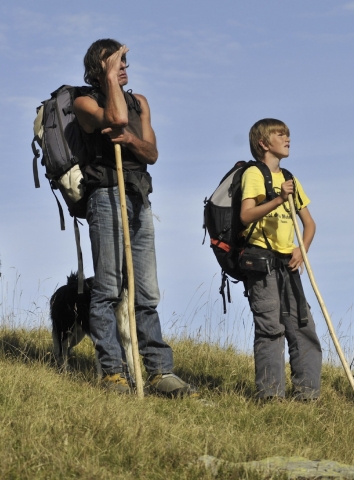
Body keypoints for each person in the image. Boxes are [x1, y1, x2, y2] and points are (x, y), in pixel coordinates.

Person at [73, 38, 196, 396]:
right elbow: (114, 118)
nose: (124, 67)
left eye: (125, 61)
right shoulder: (84, 102)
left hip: (139, 195)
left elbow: (152, 152)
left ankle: (159, 372)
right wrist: (110, 80)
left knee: (146, 290)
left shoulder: (139, 102)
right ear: (99, 67)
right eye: (116, 62)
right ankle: (113, 371)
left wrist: (127, 139)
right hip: (106, 195)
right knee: (108, 289)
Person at [240, 118, 322, 400]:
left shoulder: (289, 177)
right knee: (270, 328)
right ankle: (271, 396)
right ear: (263, 143)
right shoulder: (254, 174)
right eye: (280, 134)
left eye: (287, 134)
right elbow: (245, 215)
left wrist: (303, 249)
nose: (287, 139)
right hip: (262, 262)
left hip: (289, 263)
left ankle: (307, 395)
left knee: (302, 326)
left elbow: (309, 224)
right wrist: (277, 199)